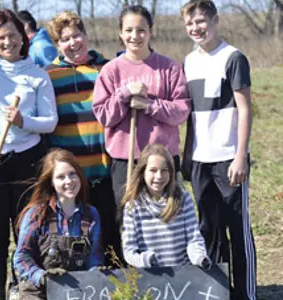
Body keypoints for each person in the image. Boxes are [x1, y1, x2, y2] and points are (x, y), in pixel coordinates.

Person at [0, 9, 57, 300]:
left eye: (13, 37)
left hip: (27, 162)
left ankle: (23, 290)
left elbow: (50, 121)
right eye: (2, 37)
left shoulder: (37, 75)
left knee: (25, 233)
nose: (8, 43)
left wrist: (23, 121)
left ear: (23, 38)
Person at [180, 1, 256, 299]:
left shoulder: (233, 58)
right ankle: (218, 292)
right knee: (208, 230)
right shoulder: (187, 62)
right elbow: (190, 115)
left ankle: (246, 294)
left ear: (215, 20)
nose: (196, 28)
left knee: (238, 230)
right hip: (200, 160)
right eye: (190, 24)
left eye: (201, 21)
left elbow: (245, 109)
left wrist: (240, 155)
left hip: (228, 159)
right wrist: (187, 153)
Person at [92, 5, 190, 210]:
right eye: (128, 30)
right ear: (120, 33)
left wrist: (150, 105)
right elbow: (104, 116)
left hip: (163, 159)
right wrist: (124, 94)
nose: (135, 36)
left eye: (141, 30)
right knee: (128, 222)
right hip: (126, 160)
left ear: (151, 31)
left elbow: (181, 111)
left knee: (167, 216)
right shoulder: (111, 71)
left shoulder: (169, 68)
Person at [44, 10, 121, 264]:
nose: (73, 43)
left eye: (77, 35)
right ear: (57, 45)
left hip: (104, 171)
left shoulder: (106, 68)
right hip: (71, 179)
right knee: (79, 239)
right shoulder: (50, 76)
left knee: (111, 234)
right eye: (64, 39)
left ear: (86, 35)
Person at [14, 148, 104, 299]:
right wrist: (42, 277)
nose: (69, 181)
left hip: (77, 290)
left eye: (72, 174)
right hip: (38, 290)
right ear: (51, 182)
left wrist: (94, 276)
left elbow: (94, 258)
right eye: (61, 177)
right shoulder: (36, 214)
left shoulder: (91, 215)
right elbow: (21, 257)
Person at [121, 144, 211, 269]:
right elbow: (129, 250)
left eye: (164, 170)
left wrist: (200, 258)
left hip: (183, 276)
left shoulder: (182, 199)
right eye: (153, 170)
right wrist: (144, 260)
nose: (159, 176)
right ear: (143, 172)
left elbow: (193, 239)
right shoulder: (133, 205)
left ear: (171, 173)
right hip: (150, 278)